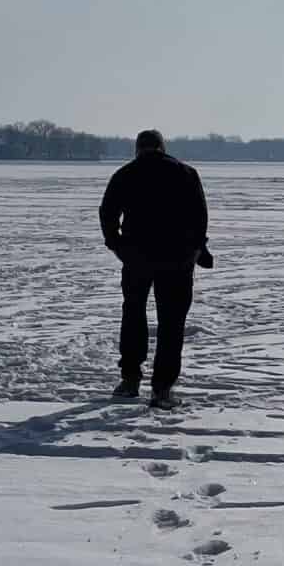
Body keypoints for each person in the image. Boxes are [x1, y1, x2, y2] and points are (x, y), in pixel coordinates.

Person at [99, 129, 211, 406]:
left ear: (138, 149)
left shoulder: (125, 174)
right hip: (177, 259)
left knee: (133, 314)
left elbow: (107, 213)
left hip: (136, 257)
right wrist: (196, 249)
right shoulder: (185, 173)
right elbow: (200, 217)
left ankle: (130, 379)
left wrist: (117, 245)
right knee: (171, 323)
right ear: (162, 147)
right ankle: (161, 389)